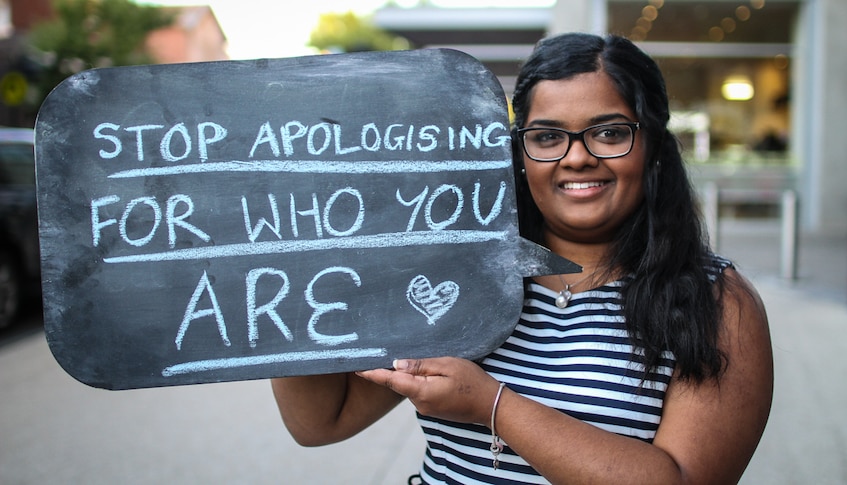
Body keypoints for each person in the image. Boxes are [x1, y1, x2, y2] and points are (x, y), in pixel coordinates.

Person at [271, 32, 773, 484]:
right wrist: (297, 267)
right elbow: (320, 423)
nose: (577, 157)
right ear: (520, 153)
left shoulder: (718, 303)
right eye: (548, 137)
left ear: (654, 147)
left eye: (609, 132)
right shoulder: (457, 274)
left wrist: (493, 406)